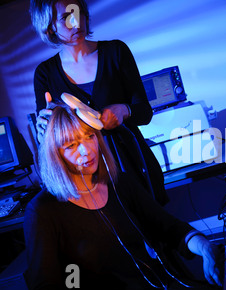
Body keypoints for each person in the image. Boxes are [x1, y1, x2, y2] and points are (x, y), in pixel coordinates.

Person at [24, 103, 222, 290]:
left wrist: (206, 248)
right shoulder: (43, 211)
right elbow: (46, 289)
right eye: (71, 145)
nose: (87, 151)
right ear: (54, 154)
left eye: (90, 136)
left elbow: (168, 228)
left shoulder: (120, 183)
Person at [29, 0, 169, 205]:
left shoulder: (116, 52)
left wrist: (124, 110)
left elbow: (144, 112)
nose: (76, 22)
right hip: (86, 178)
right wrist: (44, 130)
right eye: (66, 17)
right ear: (50, 26)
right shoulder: (45, 74)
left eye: (79, 13)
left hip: (133, 165)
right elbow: (49, 141)